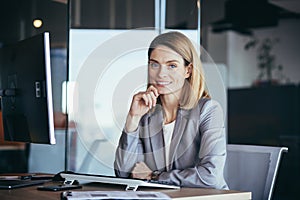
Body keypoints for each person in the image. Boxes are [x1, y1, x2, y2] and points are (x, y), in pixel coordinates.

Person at [114, 31, 228, 189]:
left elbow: (210, 176)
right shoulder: (147, 116)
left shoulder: (208, 110)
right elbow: (124, 174)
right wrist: (133, 118)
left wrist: (155, 176)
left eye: (172, 66)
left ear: (187, 70)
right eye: (154, 64)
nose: (161, 73)